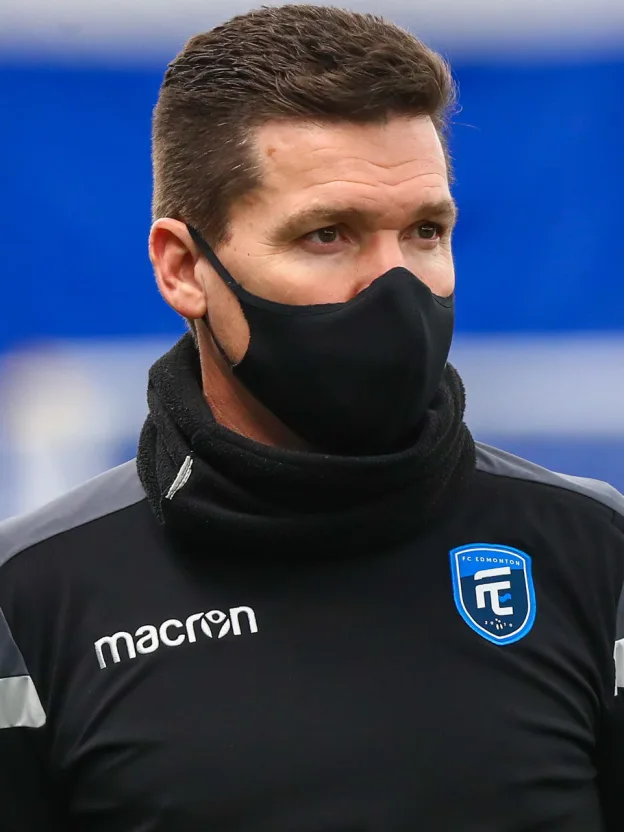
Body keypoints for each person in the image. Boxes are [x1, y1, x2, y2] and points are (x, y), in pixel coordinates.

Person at [0, 5, 623, 830]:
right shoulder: (31, 599)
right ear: (183, 268)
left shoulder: (596, 553)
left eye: (426, 231)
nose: (395, 286)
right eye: (328, 235)